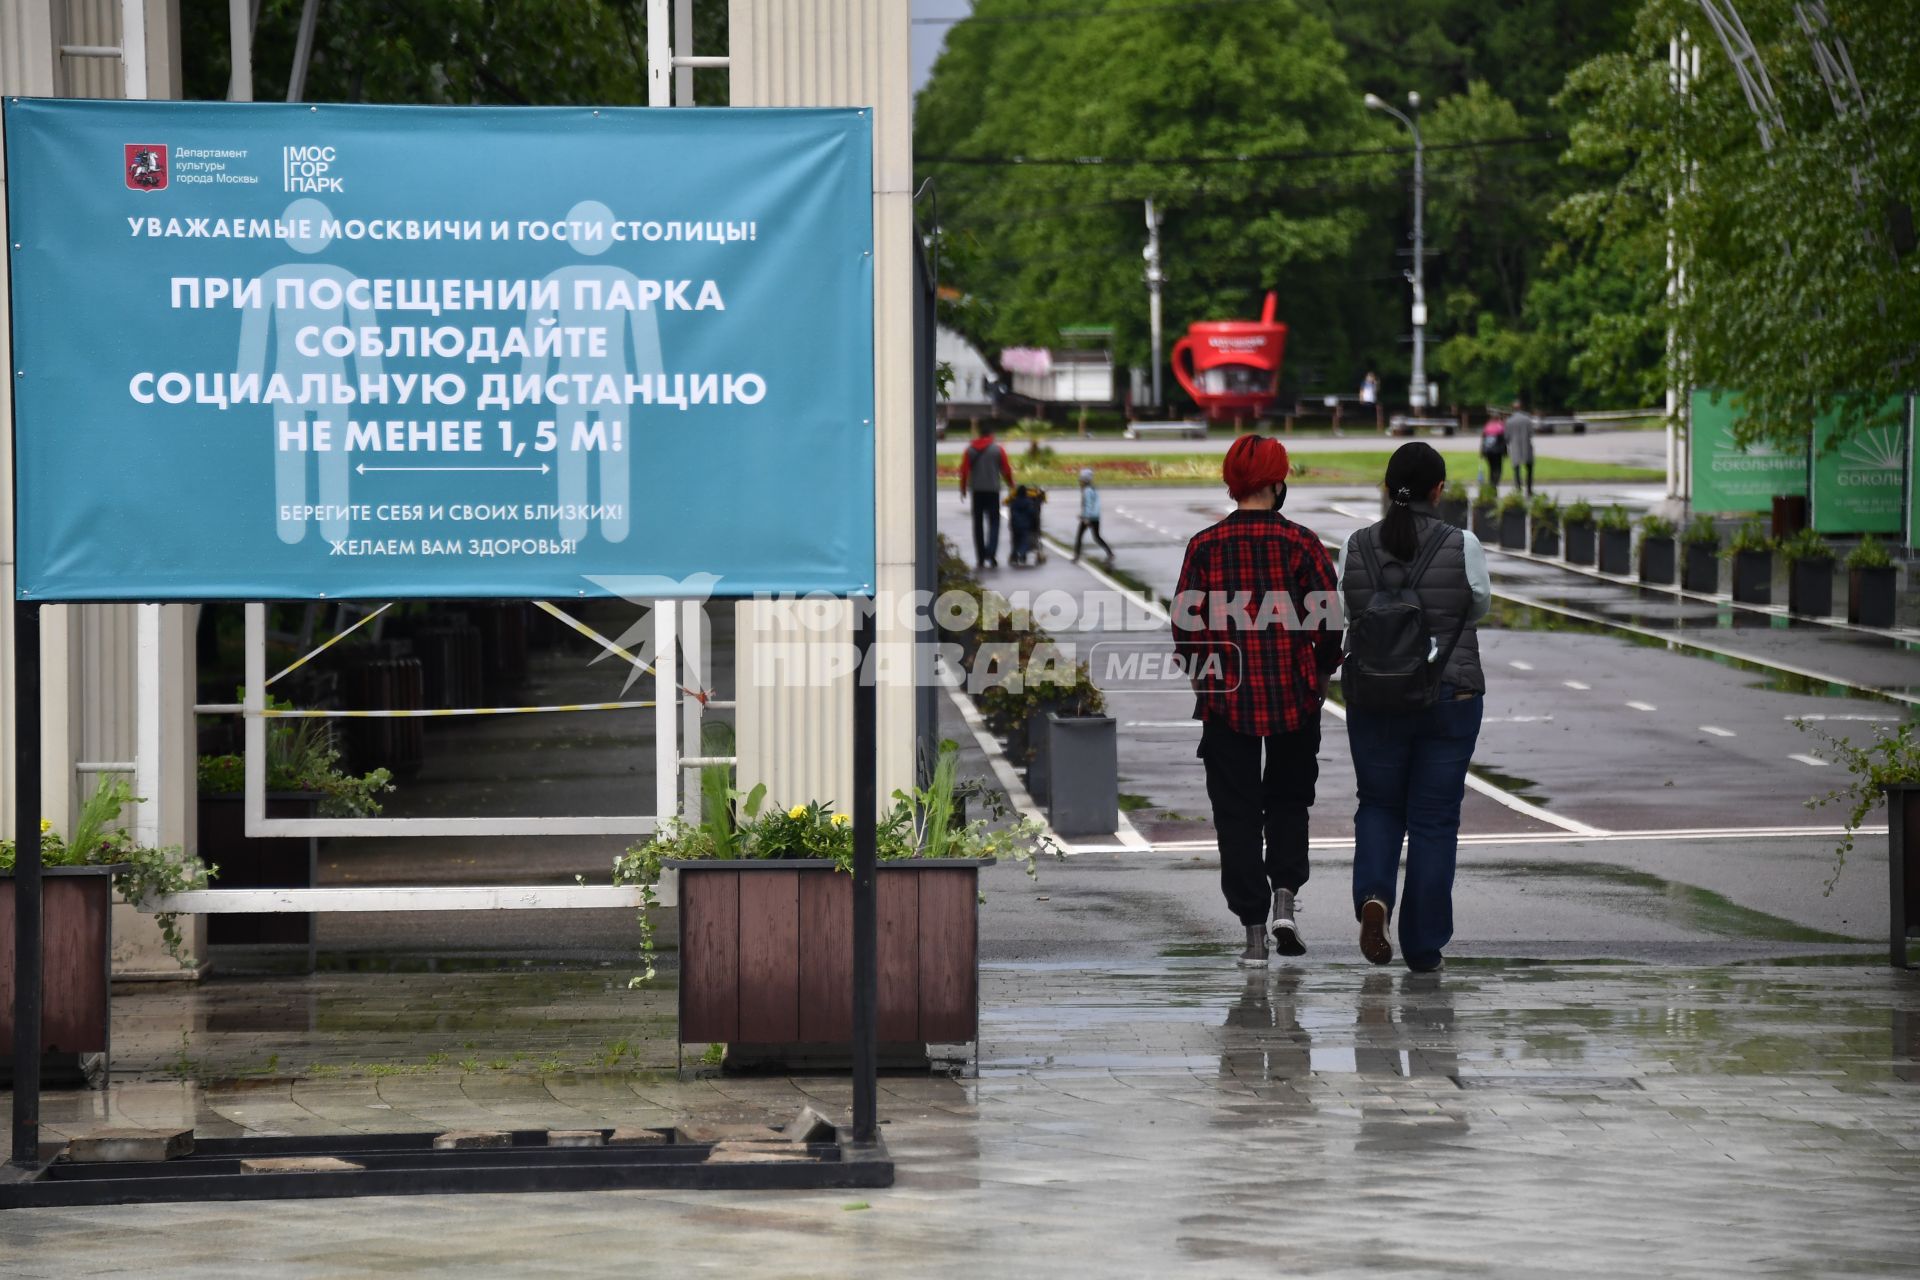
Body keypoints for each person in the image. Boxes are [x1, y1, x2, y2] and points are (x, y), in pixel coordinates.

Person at [1174, 435, 1342, 968]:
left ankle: (1252, 929)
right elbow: (1329, 620)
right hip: (1294, 697)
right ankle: (1285, 900)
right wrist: (1321, 669)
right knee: (1290, 802)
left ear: (1232, 483)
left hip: (1227, 703)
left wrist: (1205, 680)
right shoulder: (1303, 543)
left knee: (1237, 814)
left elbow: (1184, 625)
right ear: (1278, 482)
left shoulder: (1204, 546)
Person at [1337, 441, 1491, 973]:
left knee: (1378, 805)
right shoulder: (1462, 543)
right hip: (1450, 694)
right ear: (1438, 490)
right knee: (1434, 820)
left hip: (1375, 696)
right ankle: (1423, 946)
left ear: (1386, 489)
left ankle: (1374, 896)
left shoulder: (1356, 545)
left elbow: (1346, 608)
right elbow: (1480, 605)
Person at [957, 423, 1014, 568]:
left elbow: (964, 471)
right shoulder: (998, 449)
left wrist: (963, 489)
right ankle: (991, 553)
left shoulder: (969, 450)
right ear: (991, 435)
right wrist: (1011, 485)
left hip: (977, 491)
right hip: (993, 490)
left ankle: (980, 556)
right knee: (994, 522)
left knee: (978, 523)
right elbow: (1006, 470)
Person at [1073, 467, 1113, 561]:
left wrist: (1085, 517)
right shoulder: (1093, 489)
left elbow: (1088, 505)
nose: (1079, 482)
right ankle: (1110, 553)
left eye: (1081, 480)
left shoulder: (1087, 491)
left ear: (1085, 480)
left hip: (1089, 518)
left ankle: (1076, 556)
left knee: (1079, 536)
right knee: (1097, 537)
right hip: (1095, 517)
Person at [1006, 483, 1046, 566]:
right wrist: (1035, 523)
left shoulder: (1014, 502)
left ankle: (1015, 554)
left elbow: (1012, 513)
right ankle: (1022, 553)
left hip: (1015, 525)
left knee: (1015, 541)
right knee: (1024, 541)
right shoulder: (1029, 503)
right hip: (1026, 525)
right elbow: (1032, 513)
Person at [1504, 398, 1536, 496]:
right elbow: (1531, 433)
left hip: (1515, 447)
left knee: (1516, 469)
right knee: (1529, 469)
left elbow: (1507, 436)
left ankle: (1518, 489)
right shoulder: (1527, 419)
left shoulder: (1509, 421)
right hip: (1526, 445)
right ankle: (1529, 490)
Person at [1478, 414, 1506, 490]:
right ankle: (1495, 483)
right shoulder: (1500, 427)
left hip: (1488, 452)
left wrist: (1482, 452)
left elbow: (1483, 440)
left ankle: (1491, 482)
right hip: (1498, 452)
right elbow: (1503, 441)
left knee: (1491, 467)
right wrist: (1505, 452)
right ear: (1498, 419)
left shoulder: (1487, 426)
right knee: (1498, 468)